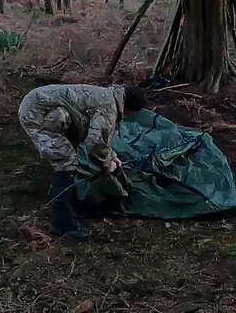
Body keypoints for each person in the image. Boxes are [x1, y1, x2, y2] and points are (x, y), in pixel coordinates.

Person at [17, 83, 148, 242]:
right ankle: (62, 224)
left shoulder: (108, 96)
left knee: (67, 154)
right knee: (66, 161)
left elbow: (92, 133)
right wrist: (108, 164)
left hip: (45, 107)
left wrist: (111, 155)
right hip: (37, 112)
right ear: (128, 109)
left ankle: (59, 195)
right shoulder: (108, 109)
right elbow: (95, 142)